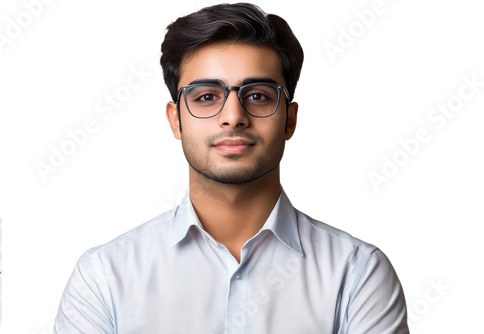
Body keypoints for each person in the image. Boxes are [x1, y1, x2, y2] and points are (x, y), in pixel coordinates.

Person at [53, 3, 409, 333]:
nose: (233, 117)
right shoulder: (103, 277)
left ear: (289, 120)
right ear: (176, 120)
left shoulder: (358, 273)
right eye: (207, 96)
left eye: (257, 95)